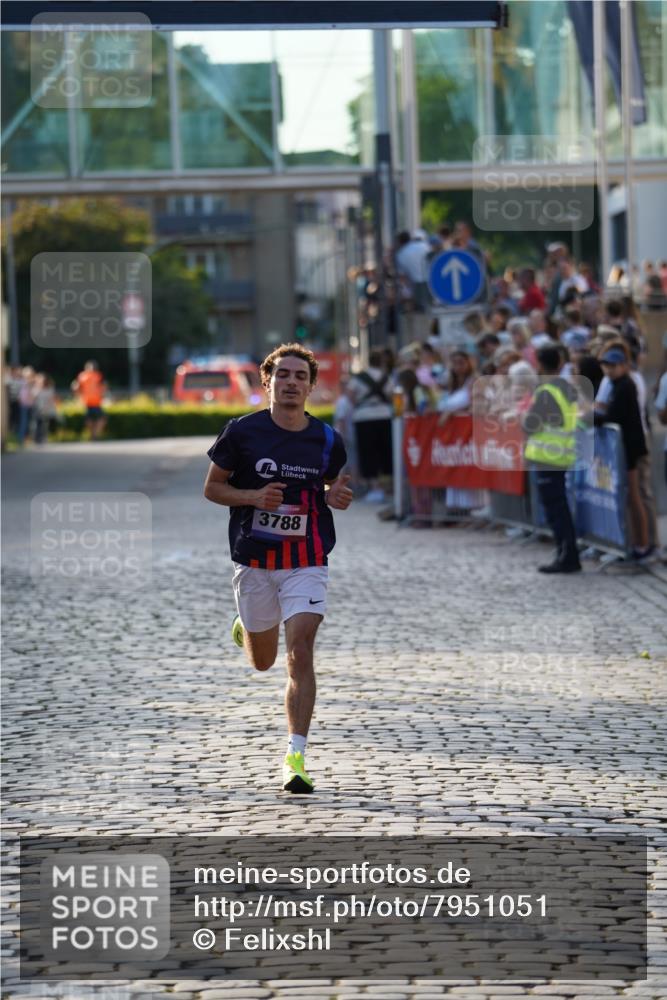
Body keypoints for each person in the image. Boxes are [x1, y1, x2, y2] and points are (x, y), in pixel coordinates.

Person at [204, 344, 352, 794]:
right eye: (283, 375)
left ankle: (296, 757)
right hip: (254, 560)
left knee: (300, 650)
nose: (291, 382)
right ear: (267, 382)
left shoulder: (327, 439)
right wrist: (252, 498)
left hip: (307, 559)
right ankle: (246, 629)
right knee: (264, 660)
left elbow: (333, 485)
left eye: (300, 376)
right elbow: (212, 488)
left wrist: (336, 497)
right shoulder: (242, 433)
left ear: (310, 385)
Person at [523, 346, 581, 573]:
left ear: (539, 364)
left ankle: (567, 557)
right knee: (560, 508)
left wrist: (524, 419)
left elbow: (532, 424)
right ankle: (567, 555)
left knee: (556, 511)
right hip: (561, 453)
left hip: (548, 455)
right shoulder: (567, 386)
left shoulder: (546, 391)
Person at [594, 347, 650, 560]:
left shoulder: (626, 385)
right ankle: (634, 542)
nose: (609, 370)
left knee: (634, 496)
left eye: (613, 365)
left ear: (624, 366)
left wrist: (590, 417)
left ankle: (642, 543)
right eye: (606, 365)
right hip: (625, 447)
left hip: (630, 449)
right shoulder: (618, 385)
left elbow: (613, 416)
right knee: (628, 497)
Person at [348, 350, 394, 502]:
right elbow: (392, 396)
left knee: (368, 452)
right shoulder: (386, 378)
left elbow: (351, 396)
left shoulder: (358, 378)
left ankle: (375, 487)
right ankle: (387, 487)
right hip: (384, 415)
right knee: (385, 451)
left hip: (364, 417)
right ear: (381, 362)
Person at [71, 361, 106, 440]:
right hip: (88, 402)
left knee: (99, 419)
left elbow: (75, 387)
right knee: (91, 420)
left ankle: (94, 434)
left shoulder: (97, 375)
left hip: (96, 402)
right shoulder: (83, 376)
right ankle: (94, 434)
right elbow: (76, 387)